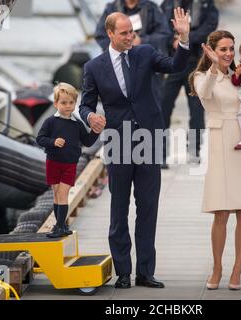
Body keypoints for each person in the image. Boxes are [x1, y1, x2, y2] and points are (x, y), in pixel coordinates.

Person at [79, 9, 190, 289]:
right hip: (117, 141)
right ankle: (124, 272)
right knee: (118, 210)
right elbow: (85, 104)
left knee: (148, 207)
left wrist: (184, 38)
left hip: (149, 140)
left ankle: (145, 272)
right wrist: (90, 117)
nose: (131, 37)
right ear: (110, 35)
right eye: (125, 33)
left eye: (132, 32)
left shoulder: (145, 53)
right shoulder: (94, 67)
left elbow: (175, 66)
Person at [189, 31, 241, 290]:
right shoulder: (202, 75)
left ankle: (238, 268)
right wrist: (214, 65)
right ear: (212, 51)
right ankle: (217, 267)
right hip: (220, 142)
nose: (227, 54)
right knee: (221, 212)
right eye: (222, 49)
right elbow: (204, 94)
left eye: (230, 49)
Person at [160, 0, 219, 167]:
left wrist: (186, 38)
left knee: (197, 110)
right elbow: (161, 27)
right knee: (163, 107)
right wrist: (173, 39)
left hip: (196, 63)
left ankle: (194, 150)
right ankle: (161, 153)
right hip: (172, 62)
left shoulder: (206, 3)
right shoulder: (167, 4)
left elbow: (210, 26)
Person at [36, 83, 98, 238]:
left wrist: (96, 131)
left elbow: (87, 141)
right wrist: (53, 142)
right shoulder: (50, 122)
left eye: (71, 102)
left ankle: (59, 227)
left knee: (63, 194)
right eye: (64, 103)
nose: (68, 106)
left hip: (69, 164)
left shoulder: (77, 124)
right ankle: (61, 225)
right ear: (56, 103)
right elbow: (40, 139)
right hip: (53, 162)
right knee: (57, 194)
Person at [94, 0, 172, 103]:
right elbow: (100, 35)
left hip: (146, 66)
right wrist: (119, 45)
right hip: (118, 66)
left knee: (152, 105)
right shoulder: (111, 8)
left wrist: (142, 41)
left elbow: (164, 34)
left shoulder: (151, 8)